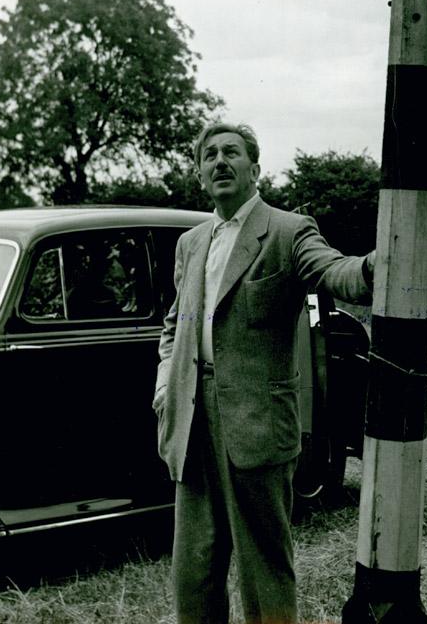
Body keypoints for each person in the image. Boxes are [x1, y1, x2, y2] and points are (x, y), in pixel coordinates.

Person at [153, 121, 374, 624]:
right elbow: (175, 324)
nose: (219, 162)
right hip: (190, 424)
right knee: (193, 572)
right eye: (210, 155)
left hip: (257, 426)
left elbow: (330, 270)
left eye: (231, 152)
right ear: (200, 174)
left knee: (263, 571)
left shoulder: (287, 230)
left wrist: (372, 268)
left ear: (255, 168)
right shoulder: (190, 243)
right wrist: (166, 383)